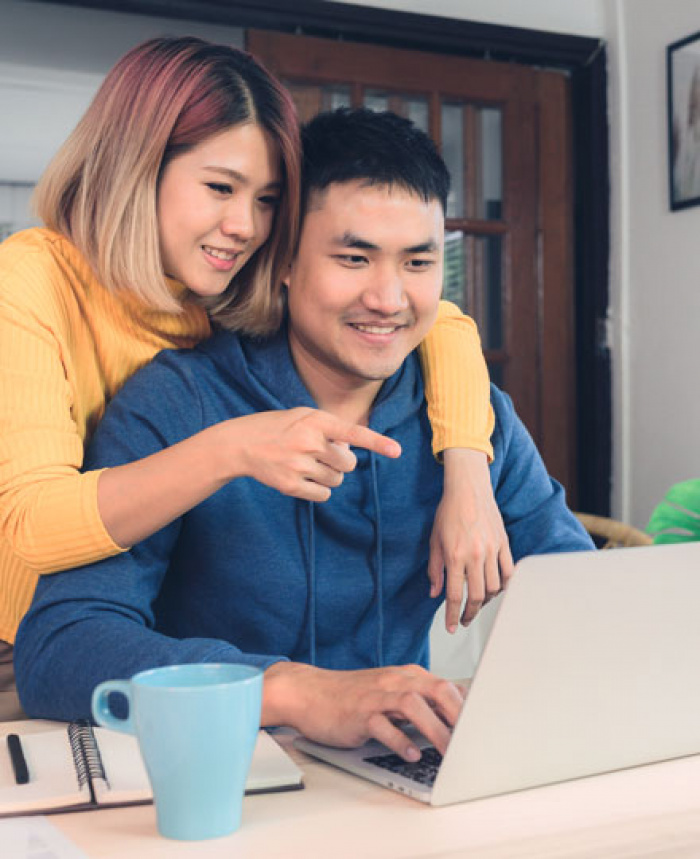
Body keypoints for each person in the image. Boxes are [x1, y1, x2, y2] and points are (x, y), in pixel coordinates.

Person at [15, 108, 593, 761]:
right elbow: (61, 646)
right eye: (353, 257)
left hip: (394, 770)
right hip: (216, 770)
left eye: (418, 261)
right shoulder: (174, 401)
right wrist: (296, 692)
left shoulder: (467, 415)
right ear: (282, 261)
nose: (388, 297)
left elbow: (585, 597)